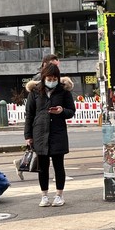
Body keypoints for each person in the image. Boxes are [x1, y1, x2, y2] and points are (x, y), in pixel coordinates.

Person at [24, 63, 76, 207]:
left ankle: (59, 195)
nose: (51, 81)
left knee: (59, 165)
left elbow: (71, 111)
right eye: (49, 78)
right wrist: (28, 135)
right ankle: (44, 195)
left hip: (58, 132)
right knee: (43, 167)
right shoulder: (35, 92)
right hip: (39, 133)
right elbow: (29, 115)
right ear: (43, 77)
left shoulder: (64, 91)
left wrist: (62, 111)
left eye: (54, 78)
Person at [15, 54, 64, 180]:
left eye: (57, 66)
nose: (57, 68)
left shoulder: (59, 85)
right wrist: (28, 135)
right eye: (54, 65)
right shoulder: (38, 81)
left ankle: (21, 162)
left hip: (54, 129)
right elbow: (30, 113)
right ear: (45, 65)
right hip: (41, 127)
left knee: (50, 156)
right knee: (43, 158)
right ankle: (22, 163)